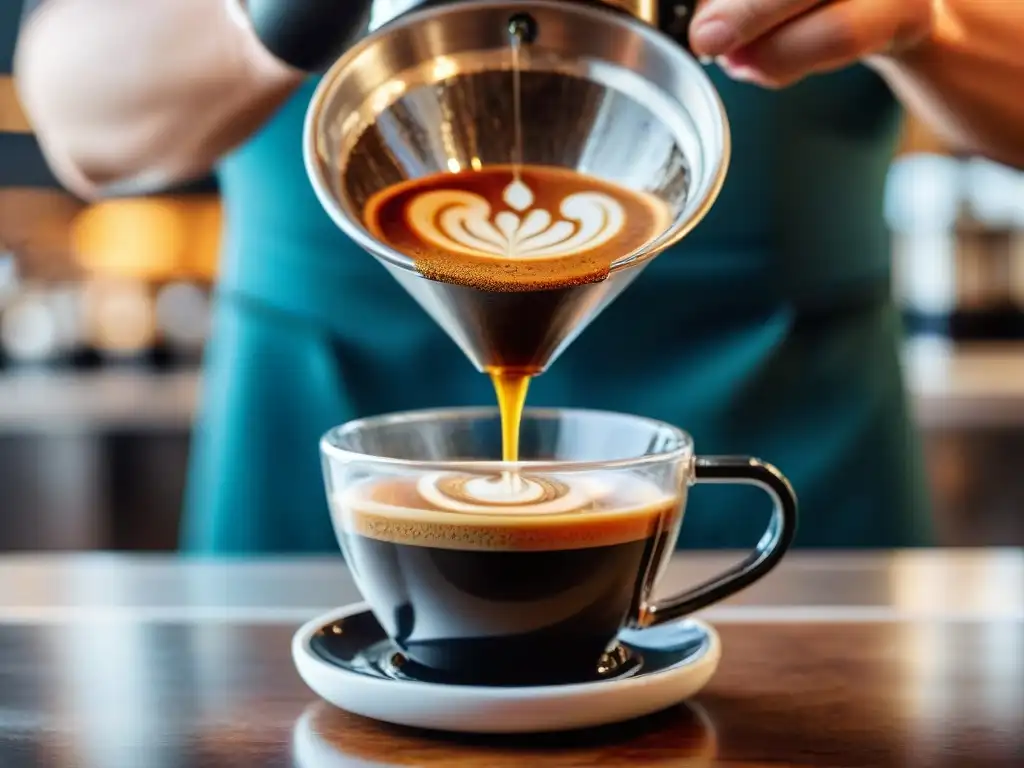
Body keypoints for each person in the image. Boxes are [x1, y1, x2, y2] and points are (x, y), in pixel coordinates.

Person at [14, 0, 1024, 553]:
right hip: (319, 499)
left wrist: (929, 18)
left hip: (782, 497)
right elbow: (83, 117)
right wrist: (263, 17)